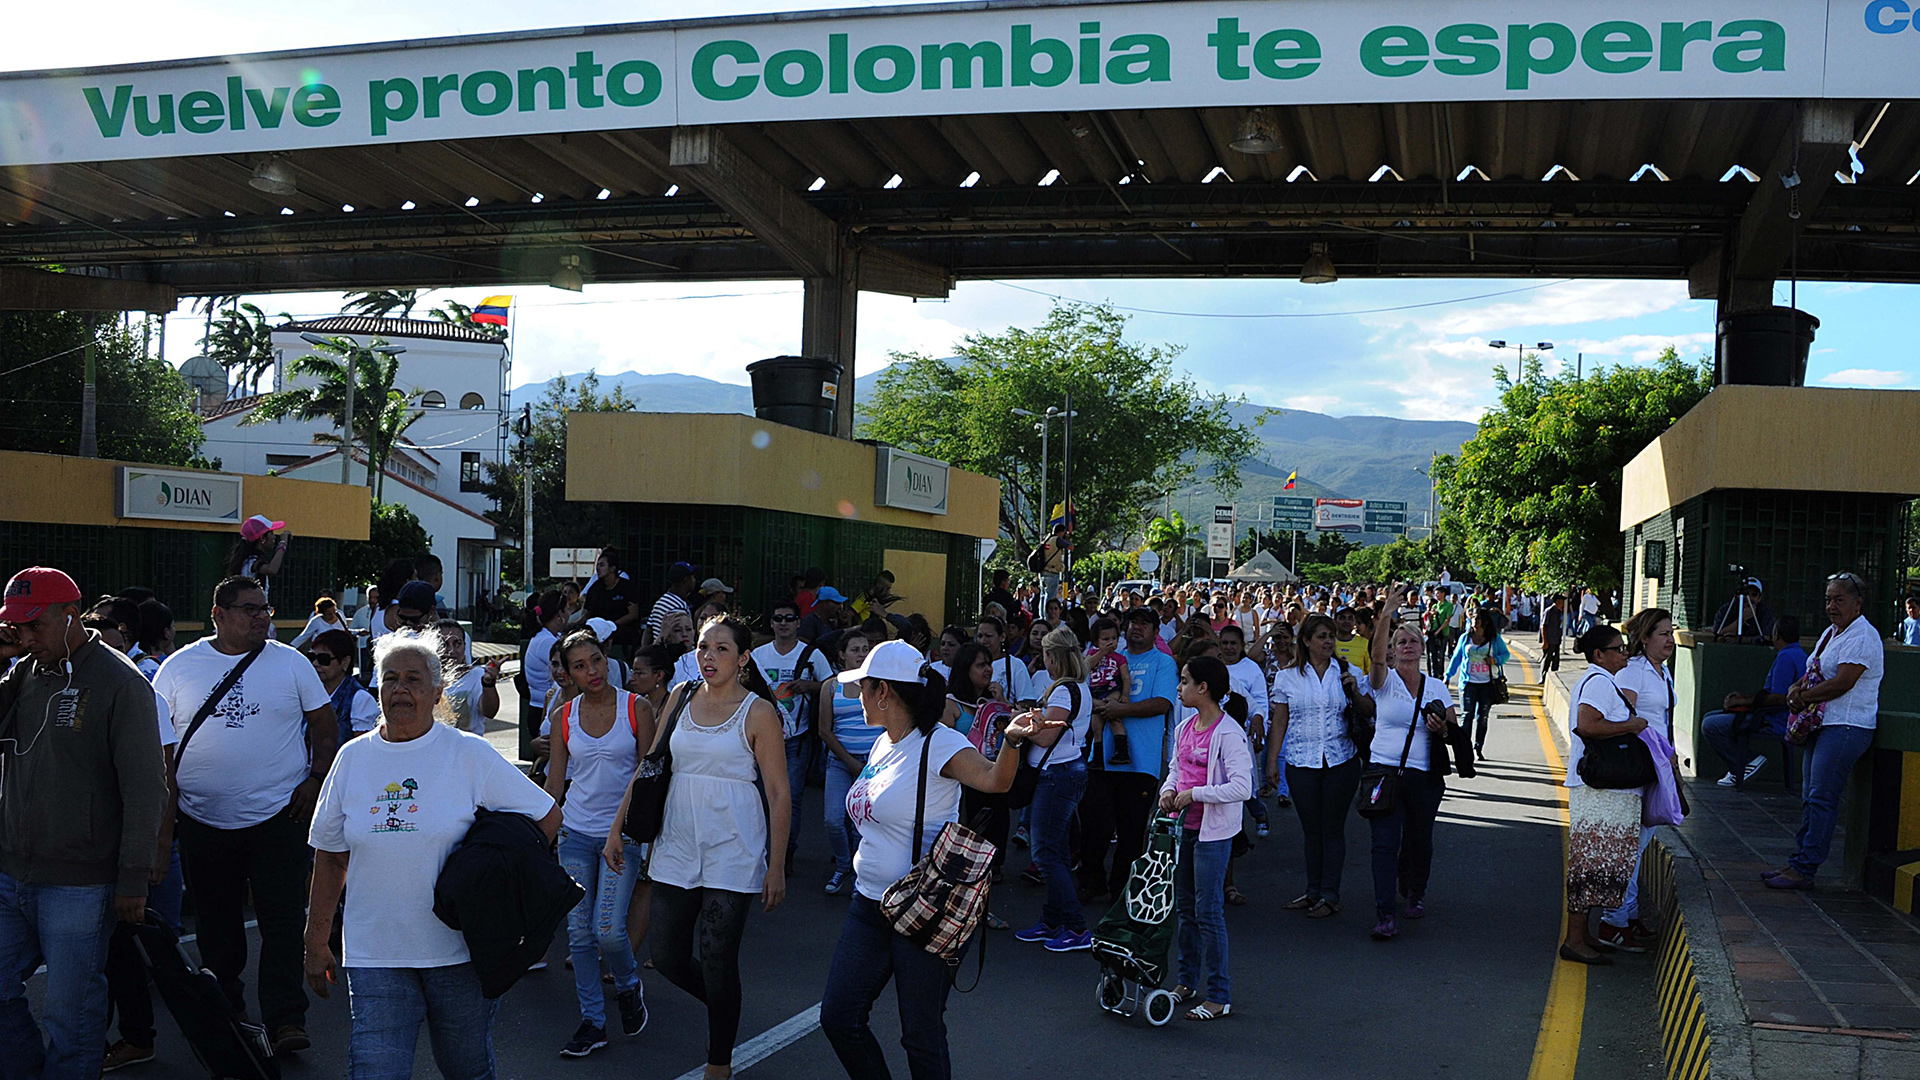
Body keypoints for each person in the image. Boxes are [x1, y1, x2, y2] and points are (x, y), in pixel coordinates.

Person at [304, 631, 559, 1080]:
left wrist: (494, 886)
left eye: (414, 679)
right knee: (376, 1072)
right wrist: (315, 940)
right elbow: (330, 855)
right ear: (377, 688)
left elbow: (546, 816)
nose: (400, 688)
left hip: (458, 953)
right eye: (390, 678)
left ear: (438, 692)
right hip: (375, 953)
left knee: (466, 1069)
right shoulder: (352, 758)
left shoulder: (468, 753)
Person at [818, 640, 1052, 1080]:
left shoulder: (939, 743)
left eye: (862, 687)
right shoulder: (883, 744)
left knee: (920, 1036)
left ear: (884, 692)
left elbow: (995, 781)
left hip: (923, 909)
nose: (856, 696)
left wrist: (1011, 740)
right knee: (838, 1017)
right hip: (868, 904)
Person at [151, 576, 336, 1053]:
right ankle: (226, 1010)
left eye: (264, 609)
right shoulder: (178, 667)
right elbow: (159, 747)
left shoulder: (290, 662)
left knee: (281, 920)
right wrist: (164, 828)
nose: (261, 617)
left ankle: (286, 1018)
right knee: (217, 925)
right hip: (202, 819)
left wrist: (316, 779)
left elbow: (323, 725)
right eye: (249, 609)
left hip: (279, 816)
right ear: (218, 614)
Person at [0, 567, 165, 1080]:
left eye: (36, 625)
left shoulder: (120, 682)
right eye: (18, 627)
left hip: (80, 882)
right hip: (11, 872)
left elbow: (146, 789)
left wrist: (133, 878)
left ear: (71, 616)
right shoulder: (26, 672)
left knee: (70, 1012)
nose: (27, 637)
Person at [607, 616, 789, 1080]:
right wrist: (617, 827)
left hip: (734, 845)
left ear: (743, 659)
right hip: (678, 840)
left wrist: (777, 866)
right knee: (667, 956)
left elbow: (778, 792)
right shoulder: (681, 695)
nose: (709, 656)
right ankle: (725, 1005)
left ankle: (718, 1062)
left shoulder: (758, 712)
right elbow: (650, 764)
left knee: (717, 958)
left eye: (722, 649)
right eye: (705, 647)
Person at [545, 631, 652, 1057]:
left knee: (607, 931)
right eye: (579, 666)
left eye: (596, 660)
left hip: (621, 836)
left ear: (607, 658)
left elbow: (648, 776)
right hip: (574, 834)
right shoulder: (563, 717)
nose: (591, 671)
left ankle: (628, 984)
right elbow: (556, 784)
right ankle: (593, 1022)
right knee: (579, 933)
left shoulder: (636, 707)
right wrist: (536, 830)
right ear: (567, 673)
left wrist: (625, 830)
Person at [1764, 573, 1884, 891]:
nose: (1831, 606)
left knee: (1821, 798)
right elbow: (1813, 671)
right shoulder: (1831, 633)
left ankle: (1805, 868)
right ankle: (1798, 861)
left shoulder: (1863, 636)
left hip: (1846, 726)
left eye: (1839, 600)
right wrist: (1795, 688)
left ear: (1858, 603)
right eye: (1829, 600)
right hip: (1820, 724)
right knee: (1810, 797)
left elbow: (1843, 682)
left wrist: (1802, 697)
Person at [1158, 656, 1253, 1021]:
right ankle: (1186, 981)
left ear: (1203, 688)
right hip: (1184, 829)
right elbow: (1175, 770)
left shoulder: (1229, 733)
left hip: (1213, 834)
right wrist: (1169, 792)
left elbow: (1242, 787)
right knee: (1185, 909)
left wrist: (1195, 795)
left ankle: (1218, 995)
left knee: (1208, 911)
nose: (1179, 687)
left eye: (1185, 681)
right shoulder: (1185, 727)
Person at [1365, 589, 1460, 942]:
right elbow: (1376, 659)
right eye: (1401, 642)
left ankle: (1415, 892)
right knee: (1384, 843)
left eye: (1413, 641)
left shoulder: (1436, 687)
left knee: (1419, 841)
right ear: (1393, 649)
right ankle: (1385, 913)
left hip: (1423, 776)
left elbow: (1453, 731)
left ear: (1422, 648)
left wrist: (1441, 729)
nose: (1407, 646)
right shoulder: (1384, 682)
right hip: (1384, 773)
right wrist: (1386, 614)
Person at [1268, 613, 1368, 919]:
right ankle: (1313, 890)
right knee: (1311, 830)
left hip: (1341, 760)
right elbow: (1280, 720)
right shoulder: (1287, 677)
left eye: (1330, 636)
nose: (1328, 642)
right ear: (1307, 641)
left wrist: (1355, 691)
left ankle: (1330, 894)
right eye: (1322, 636)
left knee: (1333, 829)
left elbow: (1368, 710)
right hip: (1301, 761)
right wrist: (1272, 761)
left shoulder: (1347, 671)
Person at [1559, 623, 1646, 965]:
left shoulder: (1602, 681)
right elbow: (1587, 724)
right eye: (1618, 649)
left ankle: (1583, 936)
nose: (1625, 653)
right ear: (1599, 654)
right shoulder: (1598, 683)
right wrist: (1630, 725)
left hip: (1603, 791)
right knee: (1588, 865)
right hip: (1597, 791)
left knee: (1598, 865)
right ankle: (1574, 940)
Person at [1595, 608, 1680, 952]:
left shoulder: (1662, 672)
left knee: (1640, 844)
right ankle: (1613, 922)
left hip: (1658, 767)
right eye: (1663, 634)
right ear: (1644, 639)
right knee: (1631, 846)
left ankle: (1627, 915)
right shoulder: (1634, 672)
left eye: (1672, 633)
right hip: (1640, 767)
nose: (1670, 640)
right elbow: (1625, 718)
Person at [1080, 607, 1176, 903]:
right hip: (1101, 757)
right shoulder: (1109, 655)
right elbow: (1083, 685)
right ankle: (1092, 882)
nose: (1137, 627)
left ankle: (1122, 891)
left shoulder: (1163, 662)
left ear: (1156, 632)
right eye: (1133, 621)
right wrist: (1098, 705)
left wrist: (1120, 709)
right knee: (1095, 825)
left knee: (1131, 832)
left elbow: (1161, 703)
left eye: (1145, 624)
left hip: (1141, 763)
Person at [1012, 626, 1095, 953]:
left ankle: (1076, 927)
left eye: (1045, 654)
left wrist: (1023, 723)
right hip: (1066, 771)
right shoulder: (1079, 687)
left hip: (1056, 776)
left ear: (1053, 657)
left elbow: (1046, 736)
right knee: (1056, 851)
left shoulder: (1062, 691)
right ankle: (1052, 920)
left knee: (1045, 854)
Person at [753, 600, 833, 868]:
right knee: (760, 798)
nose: (784, 623)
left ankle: (785, 853)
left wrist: (810, 686)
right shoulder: (758, 655)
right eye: (778, 618)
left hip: (797, 736)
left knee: (792, 797)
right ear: (771, 623)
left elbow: (831, 685)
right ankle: (762, 850)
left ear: (798, 623)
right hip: (762, 737)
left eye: (789, 618)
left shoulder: (812, 654)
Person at [1702, 616, 1807, 792]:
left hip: (1775, 720)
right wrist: (1743, 697)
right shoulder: (1801, 655)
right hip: (1778, 716)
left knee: (1710, 725)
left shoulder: (1786, 657)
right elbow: (1769, 692)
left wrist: (1742, 702)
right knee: (1710, 716)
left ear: (1776, 635)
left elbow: (1778, 698)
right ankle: (1741, 765)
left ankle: (1744, 764)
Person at [818, 630, 878, 895]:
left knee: (861, 824)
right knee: (833, 819)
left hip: (874, 765)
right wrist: (850, 761)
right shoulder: (831, 687)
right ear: (842, 654)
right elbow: (824, 730)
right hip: (840, 763)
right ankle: (843, 865)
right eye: (855, 649)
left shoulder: (877, 684)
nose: (861, 654)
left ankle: (858, 873)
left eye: (865, 649)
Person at [1217, 625, 1271, 847]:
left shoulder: (1251, 669)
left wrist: (1259, 729)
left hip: (1241, 737)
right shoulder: (1213, 668)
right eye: (1225, 643)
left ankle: (1259, 813)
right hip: (1213, 741)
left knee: (1244, 786)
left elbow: (1259, 703)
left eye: (1234, 644)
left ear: (1241, 646)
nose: (1229, 648)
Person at [1446, 608, 1510, 759]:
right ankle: (1464, 748)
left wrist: (1495, 660)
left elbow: (1505, 654)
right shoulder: (1465, 638)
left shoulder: (1494, 639)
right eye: (1474, 617)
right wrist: (1447, 676)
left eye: (1479, 618)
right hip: (1468, 683)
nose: (1476, 620)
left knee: (1482, 717)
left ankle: (1478, 747)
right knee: (1467, 716)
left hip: (1487, 684)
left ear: (1485, 621)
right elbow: (1457, 658)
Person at [310, 628, 379, 748]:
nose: (315, 664)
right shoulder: (310, 693)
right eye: (311, 657)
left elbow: (362, 748)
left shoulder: (360, 699)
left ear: (345, 662)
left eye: (323, 659)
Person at [436, 621, 500, 737]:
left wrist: (488, 684)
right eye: (444, 644)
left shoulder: (477, 675)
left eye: (457, 643)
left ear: (465, 646)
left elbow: (489, 712)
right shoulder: (424, 677)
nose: (451, 650)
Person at [579, 548, 642, 661]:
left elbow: (633, 614)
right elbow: (587, 613)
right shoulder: (595, 588)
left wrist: (611, 625)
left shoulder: (627, 587)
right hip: (595, 630)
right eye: (597, 565)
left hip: (620, 631)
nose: (598, 568)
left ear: (612, 568)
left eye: (602, 565)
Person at [974, 615, 1035, 708]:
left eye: (988, 636)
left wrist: (1003, 701)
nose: (983, 641)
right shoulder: (970, 663)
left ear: (1002, 637)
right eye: (980, 636)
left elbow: (1028, 703)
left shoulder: (1015, 665)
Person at [525, 589, 566, 727]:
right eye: (567, 609)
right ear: (560, 614)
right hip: (543, 710)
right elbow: (567, 670)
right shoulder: (546, 641)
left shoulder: (549, 636)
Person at [227, 515, 290, 592]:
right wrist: (282, 544)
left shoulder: (249, 558)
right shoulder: (251, 560)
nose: (274, 537)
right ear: (263, 538)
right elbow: (272, 569)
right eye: (271, 533)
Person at [1709, 577, 1775, 644]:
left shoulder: (1765, 611)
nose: (1749, 598)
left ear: (1759, 598)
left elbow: (1767, 637)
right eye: (1746, 594)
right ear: (1738, 595)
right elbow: (1717, 635)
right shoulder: (1727, 609)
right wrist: (1742, 618)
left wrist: (1740, 640)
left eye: (1754, 595)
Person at [646, 562, 698, 642]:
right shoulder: (678, 607)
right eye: (693, 577)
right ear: (686, 581)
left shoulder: (660, 602)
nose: (694, 581)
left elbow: (648, 631)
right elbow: (680, 638)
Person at [1538, 594, 1566, 680]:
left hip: (1556, 639)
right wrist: (1545, 641)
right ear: (1557, 601)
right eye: (1561, 601)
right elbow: (1543, 626)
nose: (1562, 604)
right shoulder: (1549, 611)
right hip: (1549, 640)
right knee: (1547, 659)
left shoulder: (1559, 612)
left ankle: (1554, 677)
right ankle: (1542, 677)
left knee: (1556, 660)